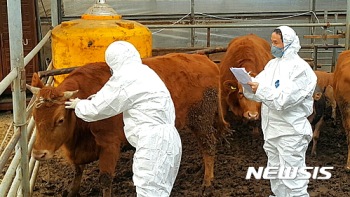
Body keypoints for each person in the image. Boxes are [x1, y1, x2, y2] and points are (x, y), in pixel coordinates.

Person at [65, 41, 182, 197]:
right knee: (160, 191)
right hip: (171, 140)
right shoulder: (145, 72)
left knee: (148, 192)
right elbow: (114, 97)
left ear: (114, 62)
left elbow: (98, 109)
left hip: (152, 143)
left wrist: (79, 105)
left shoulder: (125, 78)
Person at [243, 26, 317, 197]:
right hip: (272, 131)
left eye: (276, 42)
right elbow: (257, 92)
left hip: (291, 132)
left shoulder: (301, 70)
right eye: (272, 42)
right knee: (276, 175)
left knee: (293, 178)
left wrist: (259, 89)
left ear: (288, 43)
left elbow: (283, 100)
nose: (272, 46)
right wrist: (247, 84)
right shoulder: (272, 65)